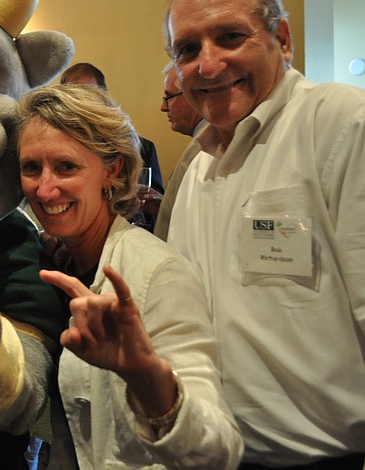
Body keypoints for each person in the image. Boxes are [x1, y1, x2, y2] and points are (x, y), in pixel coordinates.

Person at [163, 0, 365, 468]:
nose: (209, 64)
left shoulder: (349, 126)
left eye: (230, 36)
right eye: (188, 48)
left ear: (281, 39)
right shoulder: (197, 166)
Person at [16, 83, 242, 469]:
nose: (45, 188)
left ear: (112, 169)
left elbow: (217, 449)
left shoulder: (156, 273)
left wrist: (147, 379)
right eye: (31, 168)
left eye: (66, 166)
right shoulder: (55, 264)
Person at [59, 62, 164, 230]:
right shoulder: (56, 150)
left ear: (104, 96)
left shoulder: (142, 148)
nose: (82, 102)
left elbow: (155, 210)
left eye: (89, 93)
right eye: (74, 95)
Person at [153, 63, 205, 241]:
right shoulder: (202, 143)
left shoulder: (205, 149)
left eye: (169, 97)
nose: (163, 107)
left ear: (194, 95)